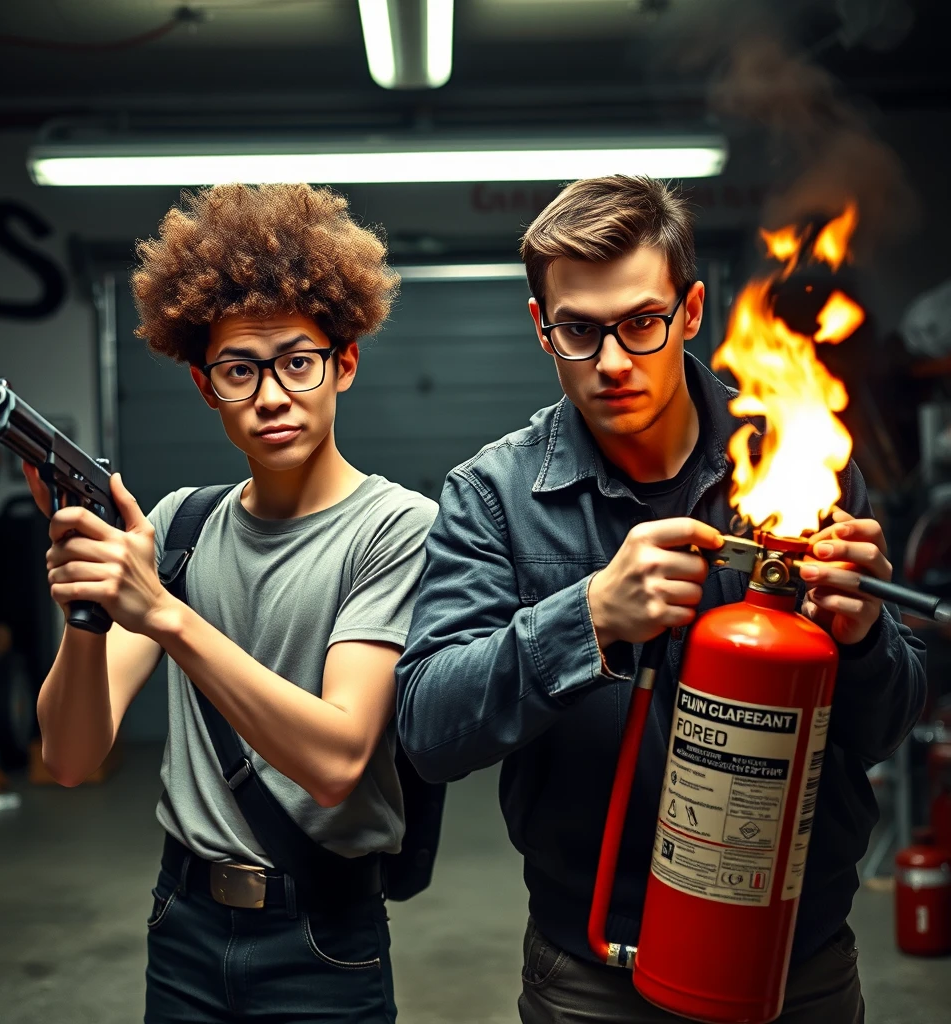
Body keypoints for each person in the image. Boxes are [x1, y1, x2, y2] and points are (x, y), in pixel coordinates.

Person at [395, 175, 926, 1023]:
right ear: (542, 329)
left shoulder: (804, 455)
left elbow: (882, 729)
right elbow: (429, 729)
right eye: (578, 330)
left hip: (799, 961)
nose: (611, 363)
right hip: (596, 969)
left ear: (690, 311)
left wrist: (864, 641)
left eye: (641, 322)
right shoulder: (495, 494)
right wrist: (588, 617)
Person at [24, 182, 436, 1023]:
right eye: (239, 370)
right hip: (182, 923)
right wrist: (89, 608)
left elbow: (334, 762)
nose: (272, 395)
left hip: (323, 934)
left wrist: (167, 615)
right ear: (206, 386)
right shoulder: (179, 527)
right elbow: (68, 758)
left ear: (343, 363)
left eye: (298, 360)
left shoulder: (397, 529)